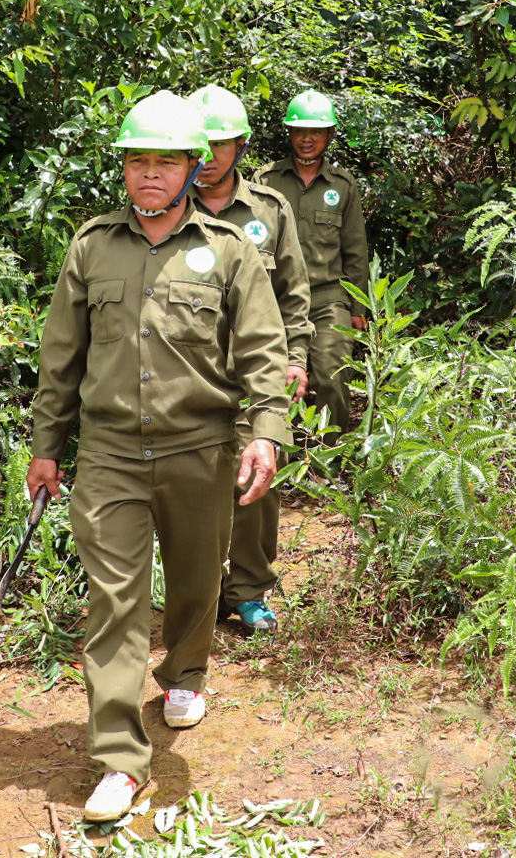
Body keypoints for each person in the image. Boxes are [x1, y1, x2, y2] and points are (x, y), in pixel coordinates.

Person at [27, 90, 291, 822]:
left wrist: (265, 431)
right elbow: (61, 360)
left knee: (198, 580)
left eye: (165, 162)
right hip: (108, 453)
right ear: (123, 168)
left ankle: (186, 670)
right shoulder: (91, 247)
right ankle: (120, 760)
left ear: (191, 168)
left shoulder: (231, 252)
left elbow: (266, 351)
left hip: (200, 449)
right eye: (137, 160)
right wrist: (48, 447)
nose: (149, 174)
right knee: (114, 601)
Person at [188, 83, 311, 635]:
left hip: (255, 372)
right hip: (188, 375)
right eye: (200, 144)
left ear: (240, 146)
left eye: (221, 145)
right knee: (194, 488)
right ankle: (201, 589)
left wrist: (297, 357)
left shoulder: (269, 209)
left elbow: (294, 292)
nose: (209, 157)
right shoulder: (167, 207)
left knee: (257, 483)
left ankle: (249, 589)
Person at [252, 89, 370, 435]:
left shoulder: (343, 186)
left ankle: (328, 457)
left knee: (332, 375)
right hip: (275, 298)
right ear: (288, 133)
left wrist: (357, 306)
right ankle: (280, 452)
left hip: (327, 297)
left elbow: (355, 249)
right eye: (300, 130)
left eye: (316, 132)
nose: (307, 139)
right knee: (274, 378)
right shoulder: (265, 180)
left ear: (329, 136)